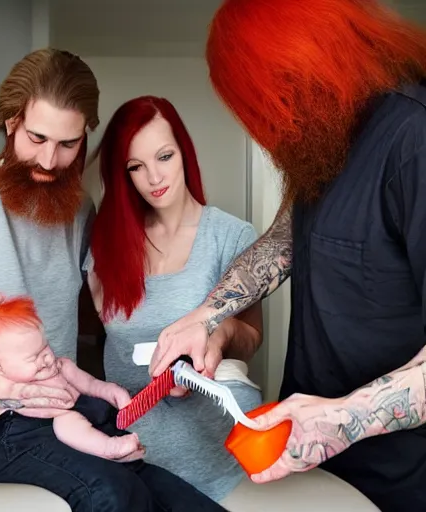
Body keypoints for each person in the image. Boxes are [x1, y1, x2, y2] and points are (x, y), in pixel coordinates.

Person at [0, 48, 228, 512]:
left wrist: (197, 345)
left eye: (68, 144)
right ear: (10, 122)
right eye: (37, 137)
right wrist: (0, 388)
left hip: (59, 410)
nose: (49, 160)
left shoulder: (80, 211)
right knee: (113, 495)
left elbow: (112, 315)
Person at [147, 1, 426, 510]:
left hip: (402, 476)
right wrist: (205, 316)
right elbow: (285, 240)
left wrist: (341, 419)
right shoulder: (329, 132)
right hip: (314, 456)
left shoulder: (414, 139)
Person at [84, 95, 264, 502]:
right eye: (136, 166)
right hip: (131, 460)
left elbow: (251, 338)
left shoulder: (232, 236)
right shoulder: (103, 247)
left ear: (184, 151)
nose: (153, 177)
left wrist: (217, 334)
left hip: (219, 458)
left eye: (164, 156)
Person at [0, 292, 144, 462]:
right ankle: (108, 448)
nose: (47, 358)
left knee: (104, 412)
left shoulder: (60, 366)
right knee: (66, 421)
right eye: (34, 356)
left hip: (88, 409)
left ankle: (120, 448)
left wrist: (110, 390)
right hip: (57, 422)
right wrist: (0, 402)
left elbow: (90, 384)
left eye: (45, 347)